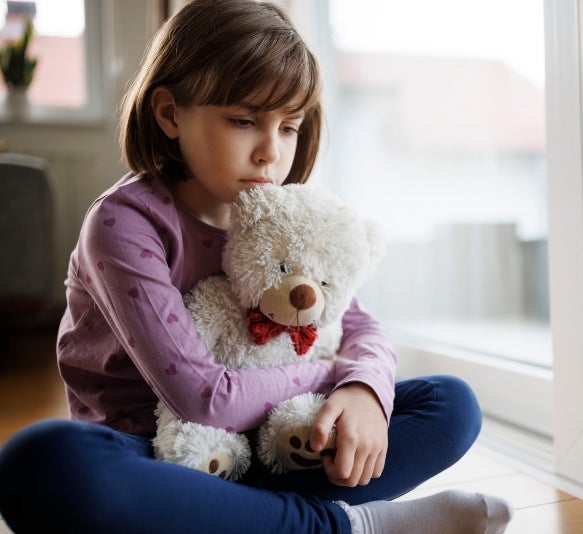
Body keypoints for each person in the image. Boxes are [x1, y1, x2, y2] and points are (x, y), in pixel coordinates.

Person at [0, 1, 513, 533]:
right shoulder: (124, 223)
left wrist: (363, 390)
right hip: (161, 453)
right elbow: (201, 399)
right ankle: (351, 526)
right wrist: (334, 373)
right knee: (40, 462)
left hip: (278, 440)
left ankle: (249, 519)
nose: (271, 151)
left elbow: (358, 326)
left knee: (451, 404)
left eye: (289, 127)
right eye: (243, 121)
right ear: (170, 114)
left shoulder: (283, 213)